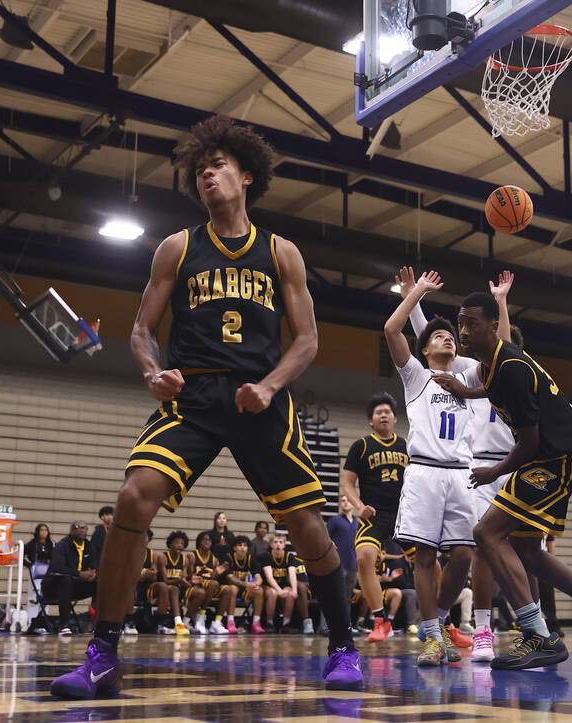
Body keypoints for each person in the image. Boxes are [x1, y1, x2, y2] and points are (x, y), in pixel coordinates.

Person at [50, 116, 360, 698]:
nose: (206, 174)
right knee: (130, 498)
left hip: (259, 399)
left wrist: (270, 386)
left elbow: (308, 339)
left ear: (246, 176)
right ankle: (103, 655)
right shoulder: (177, 247)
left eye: (217, 165)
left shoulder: (281, 252)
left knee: (308, 527)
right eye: (199, 169)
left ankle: (343, 644)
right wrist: (151, 373)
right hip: (192, 396)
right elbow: (141, 331)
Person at [445, 290, 572, 670]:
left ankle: (539, 635)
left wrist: (493, 471)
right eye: (459, 323)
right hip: (548, 452)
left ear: (494, 327)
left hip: (558, 455)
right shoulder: (492, 363)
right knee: (526, 549)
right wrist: (466, 391)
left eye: (470, 324)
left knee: (486, 534)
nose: (462, 331)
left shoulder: (509, 366)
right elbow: (493, 389)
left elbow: (529, 442)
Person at [383, 270, 479, 667]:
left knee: (463, 557)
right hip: (424, 471)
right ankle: (432, 637)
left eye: (451, 336)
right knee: (425, 557)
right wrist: (416, 294)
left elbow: (502, 351)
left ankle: (438, 623)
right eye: (438, 336)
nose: (447, 338)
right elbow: (392, 329)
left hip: (461, 473)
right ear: (423, 350)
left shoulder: (467, 375)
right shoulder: (416, 377)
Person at [340, 393, 409, 643]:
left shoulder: (407, 445)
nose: (383, 415)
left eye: (387, 411)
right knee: (363, 557)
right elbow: (347, 482)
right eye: (378, 412)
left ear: (394, 417)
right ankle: (380, 620)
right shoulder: (361, 446)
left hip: (405, 514)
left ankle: (443, 623)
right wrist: (359, 505)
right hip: (375, 515)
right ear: (371, 420)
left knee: (430, 564)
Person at [44, 521, 97, 635]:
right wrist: (79, 574)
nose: (82, 530)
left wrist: (92, 573)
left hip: (75, 586)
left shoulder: (88, 545)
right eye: (78, 527)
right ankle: (64, 625)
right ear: (72, 530)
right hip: (53, 587)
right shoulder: (63, 545)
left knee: (100, 583)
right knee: (66, 580)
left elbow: (94, 564)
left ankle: (98, 623)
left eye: (85, 528)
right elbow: (57, 567)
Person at [185, 530, 234, 634]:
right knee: (213, 584)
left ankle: (216, 623)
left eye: (209, 540)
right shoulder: (192, 556)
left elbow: (213, 578)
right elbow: (189, 576)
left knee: (229, 589)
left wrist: (217, 573)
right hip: (195, 586)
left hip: (210, 587)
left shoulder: (214, 559)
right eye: (205, 540)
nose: (207, 542)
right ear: (199, 542)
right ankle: (201, 616)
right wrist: (199, 573)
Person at [259, 534, 302, 631]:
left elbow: (292, 574)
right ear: (271, 544)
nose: (278, 545)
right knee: (273, 593)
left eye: (281, 542)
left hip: (283, 585)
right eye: (275, 542)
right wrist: (279, 590)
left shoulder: (289, 556)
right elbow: (269, 577)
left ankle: (286, 624)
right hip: (268, 586)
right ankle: (269, 623)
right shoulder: (267, 555)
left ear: (284, 545)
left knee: (291, 593)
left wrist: (294, 590)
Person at [326, 494, 359, 616]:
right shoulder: (335, 520)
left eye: (348, 500)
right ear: (340, 504)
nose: (345, 502)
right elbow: (325, 537)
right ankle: (326, 627)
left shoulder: (357, 523)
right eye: (343, 501)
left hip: (352, 565)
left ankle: (346, 626)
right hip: (337, 564)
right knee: (332, 595)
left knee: (347, 598)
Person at [223, 535, 262, 633]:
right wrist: (247, 584)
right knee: (233, 588)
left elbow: (258, 576)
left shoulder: (250, 559)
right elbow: (230, 578)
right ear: (234, 548)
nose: (242, 548)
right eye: (240, 545)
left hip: (243, 589)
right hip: (226, 589)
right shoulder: (228, 557)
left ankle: (256, 623)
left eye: (245, 545)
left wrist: (256, 583)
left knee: (259, 590)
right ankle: (230, 621)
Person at [134, 530, 171, 635]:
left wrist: (151, 575)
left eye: (145, 537)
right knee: (130, 586)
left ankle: (161, 624)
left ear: (148, 539)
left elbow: (154, 575)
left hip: (146, 587)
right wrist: (141, 577)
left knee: (163, 586)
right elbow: (126, 575)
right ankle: (129, 623)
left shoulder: (153, 554)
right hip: (132, 586)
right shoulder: (129, 553)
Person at [159, 531, 191, 635]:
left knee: (200, 593)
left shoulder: (185, 559)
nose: (179, 545)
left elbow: (184, 579)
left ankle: (189, 621)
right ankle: (178, 623)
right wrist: (179, 581)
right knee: (173, 589)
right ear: (170, 544)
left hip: (178, 588)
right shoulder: (163, 557)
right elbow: (164, 580)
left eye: (182, 543)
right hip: (164, 588)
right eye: (176, 543)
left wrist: (192, 579)